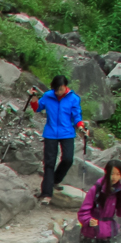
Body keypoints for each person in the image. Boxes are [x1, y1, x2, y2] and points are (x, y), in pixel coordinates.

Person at [28, 76, 86, 205]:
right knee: (49, 163)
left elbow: (77, 116)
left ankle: (54, 180)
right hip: (50, 133)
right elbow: (37, 108)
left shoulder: (73, 99)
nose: (58, 92)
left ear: (65, 87)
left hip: (67, 133)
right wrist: (33, 98)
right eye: (56, 90)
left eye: (60, 89)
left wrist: (81, 127)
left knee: (68, 159)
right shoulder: (48, 96)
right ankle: (46, 194)